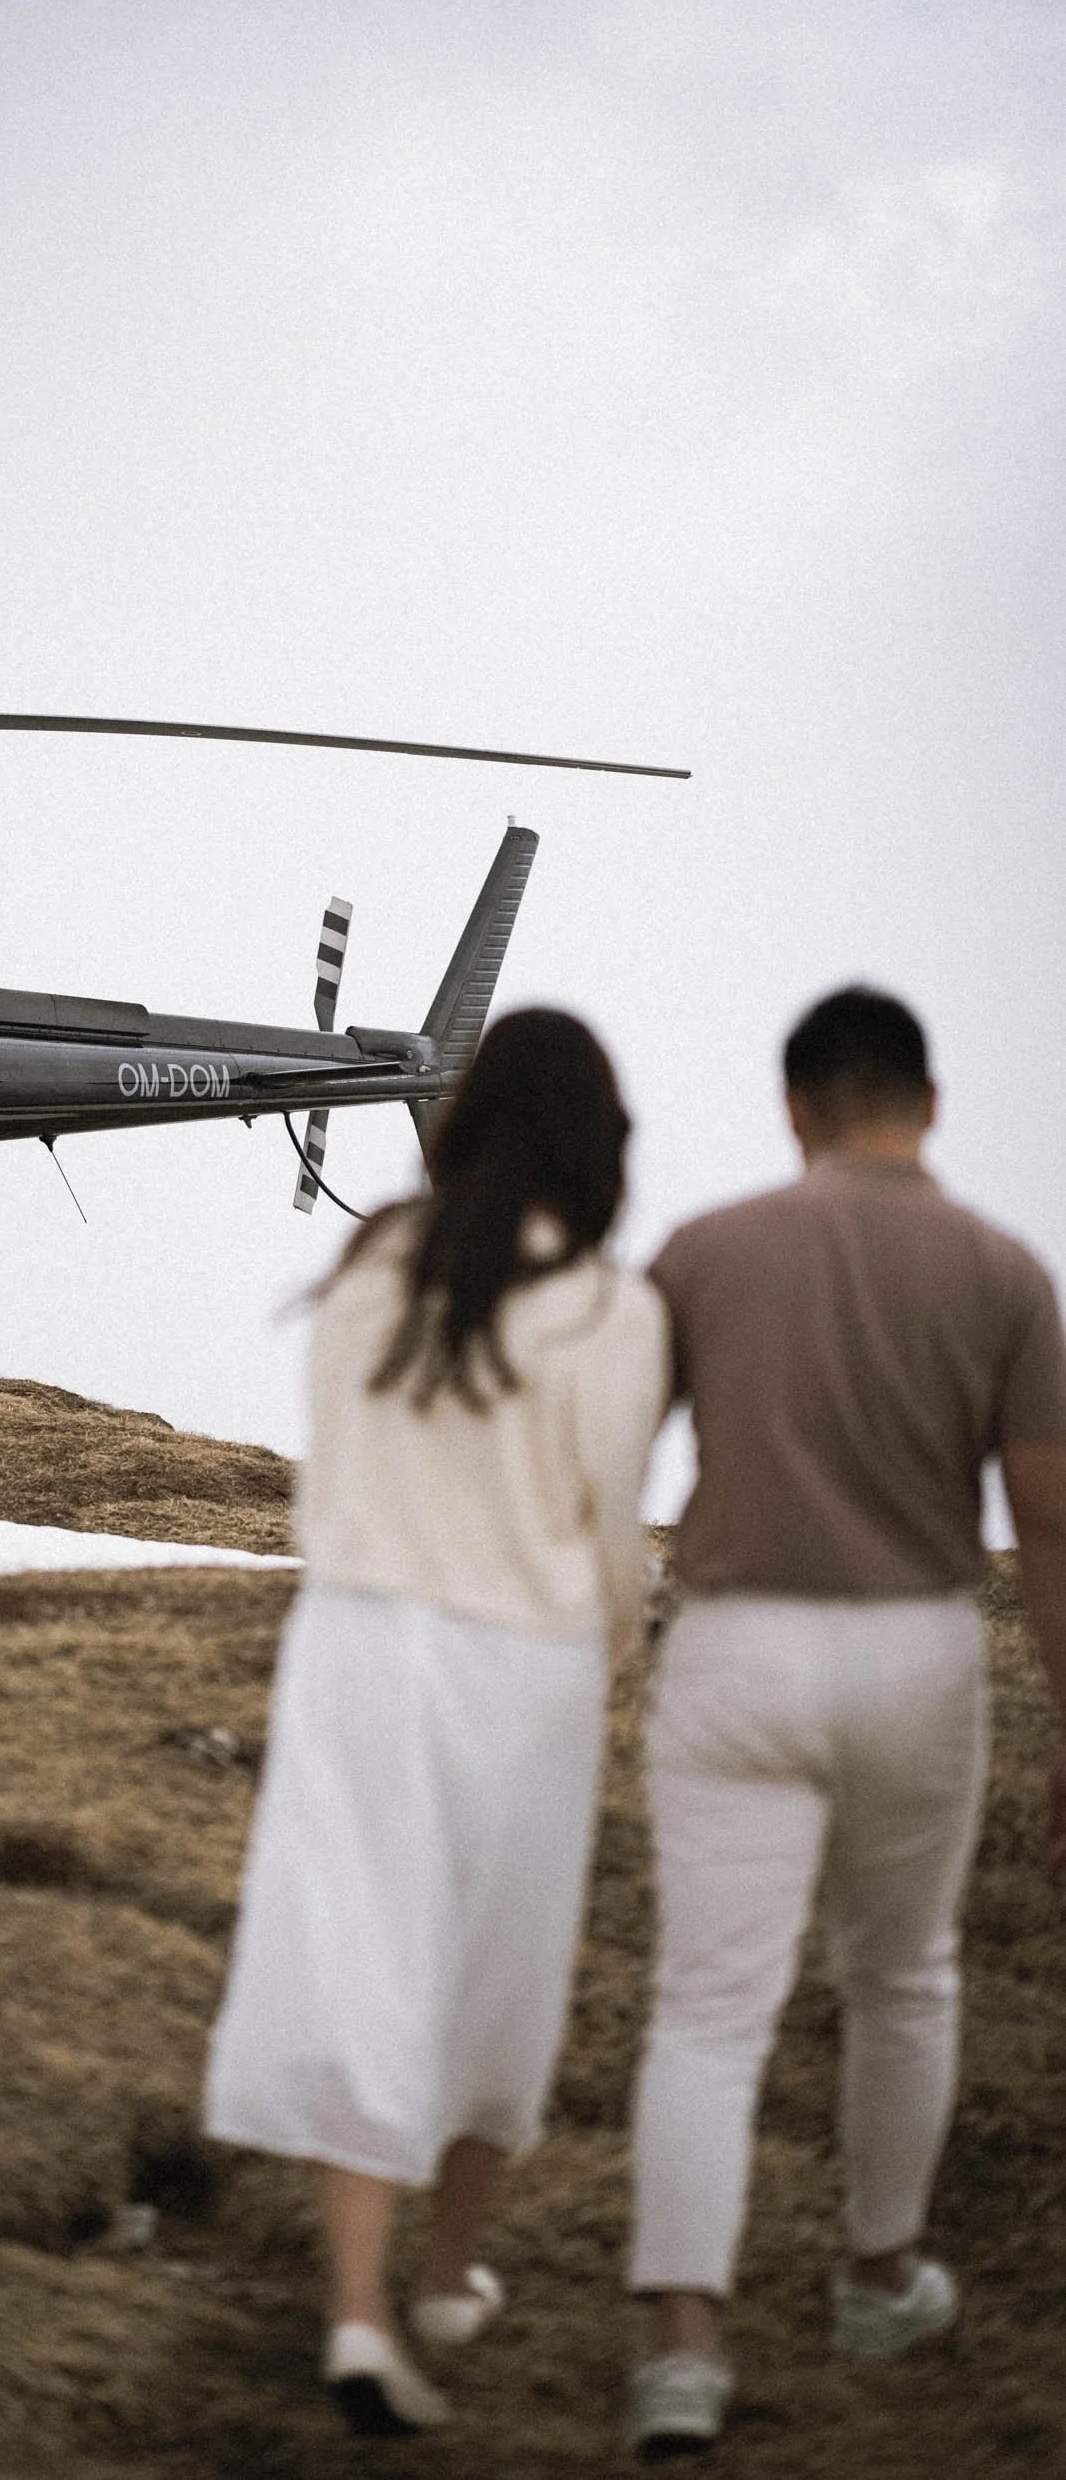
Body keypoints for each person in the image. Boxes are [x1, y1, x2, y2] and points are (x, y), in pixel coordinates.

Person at [204, 1006, 669, 2435]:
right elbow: (607, 1528)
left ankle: (353, 2312)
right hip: (518, 1666)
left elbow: (323, 1477)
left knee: (359, 1956)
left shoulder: (367, 1270)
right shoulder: (609, 1306)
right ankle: (451, 2274)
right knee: (494, 1970)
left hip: (353, 1643)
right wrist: (625, 1645)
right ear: (596, 1144)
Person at [625, 985, 1066, 2458]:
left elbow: (613, 1457)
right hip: (918, 1653)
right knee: (905, 1979)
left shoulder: (702, 1251)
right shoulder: (1006, 1275)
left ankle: (682, 2347)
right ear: (927, 1107)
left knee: (705, 2008)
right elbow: (1049, 1525)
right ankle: (878, 2273)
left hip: (737, 1647)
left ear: (793, 1109)